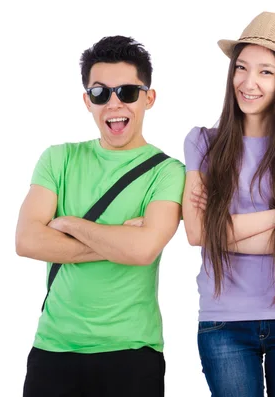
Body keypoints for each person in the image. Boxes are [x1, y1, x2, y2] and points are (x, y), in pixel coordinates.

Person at [16, 35, 185, 397]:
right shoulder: (58, 158)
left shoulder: (168, 171)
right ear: (86, 101)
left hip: (133, 353)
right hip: (53, 348)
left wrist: (67, 225)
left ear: (148, 98)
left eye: (127, 91)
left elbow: (142, 252)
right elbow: (28, 240)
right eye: (100, 93)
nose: (113, 103)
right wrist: (121, 240)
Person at [182, 12, 275, 397]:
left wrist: (224, 229)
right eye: (242, 68)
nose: (248, 82)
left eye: (265, 72)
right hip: (224, 323)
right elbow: (197, 233)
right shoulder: (202, 143)